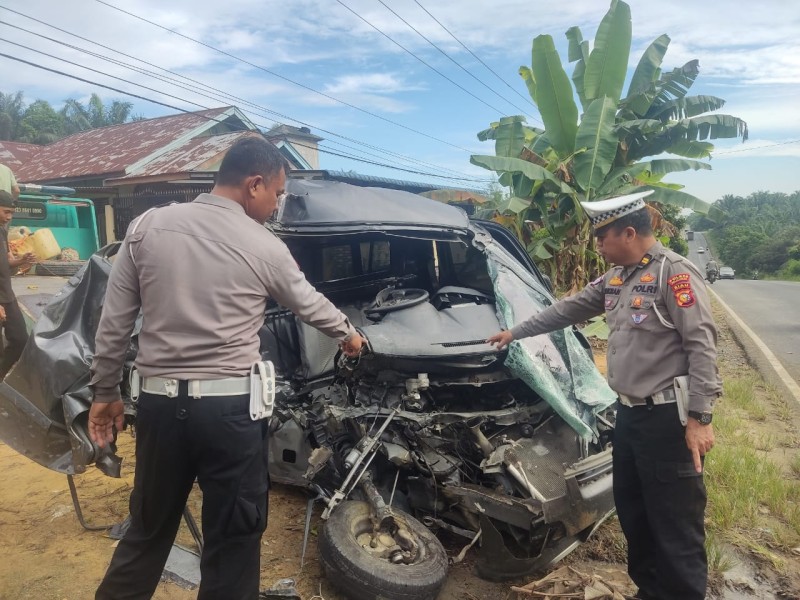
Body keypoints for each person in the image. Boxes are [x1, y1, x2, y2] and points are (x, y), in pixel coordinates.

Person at [88, 136, 365, 600]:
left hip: (157, 408)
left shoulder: (146, 227)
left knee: (147, 531)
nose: (277, 205)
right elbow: (308, 304)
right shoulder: (265, 246)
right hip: (230, 415)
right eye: (276, 194)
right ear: (254, 184)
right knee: (233, 541)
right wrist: (349, 334)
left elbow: (113, 323)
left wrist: (103, 392)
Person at [487, 191, 720, 600]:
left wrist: (701, 419)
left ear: (629, 233)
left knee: (675, 522)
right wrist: (515, 331)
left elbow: (702, 346)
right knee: (635, 512)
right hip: (630, 417)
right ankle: (650, 592)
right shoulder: (617, 277)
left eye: (602, 237)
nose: (596, 245)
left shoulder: (675, 275)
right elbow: (567, 309)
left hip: (670, 420)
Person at [0, 190, 36, 379]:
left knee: (21, 339)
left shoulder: (2, 230)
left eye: (11, 212)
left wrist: (22, 260)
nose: (9, 217)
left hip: (7, 294)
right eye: (6, 211)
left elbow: (6, 262)